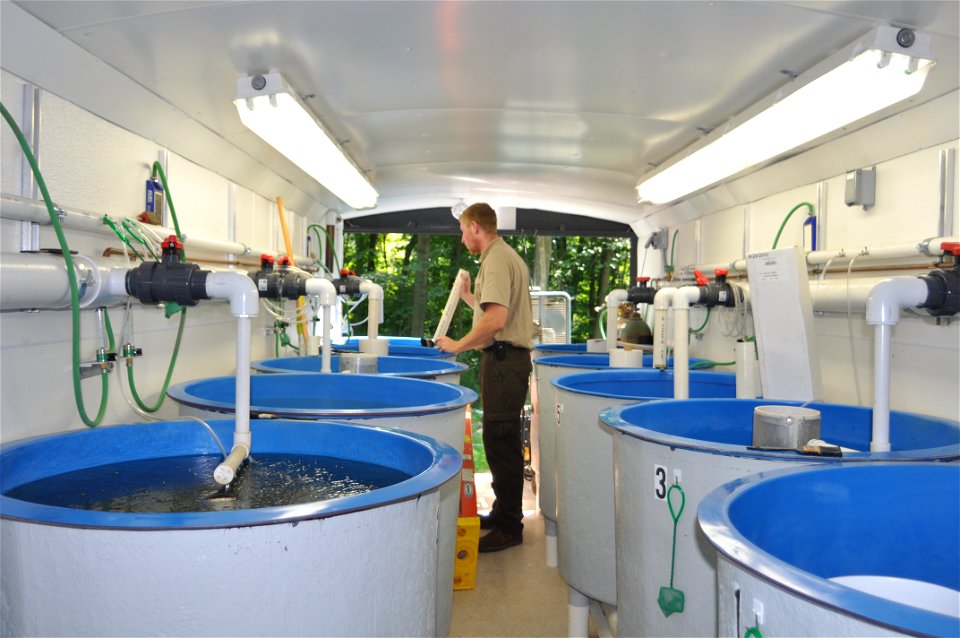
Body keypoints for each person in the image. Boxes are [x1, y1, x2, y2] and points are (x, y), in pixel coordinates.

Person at [436, 203, 533, 553]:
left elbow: (495, 322)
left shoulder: (494, 260)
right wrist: (467, 297)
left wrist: (457, 346)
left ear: (475, 226)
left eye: (463, 231)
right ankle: (502, 511)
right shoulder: (506, 256)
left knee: (501, 442)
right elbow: (492, 308)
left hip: (505, 362)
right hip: (508, 361)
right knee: (499, 440)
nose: (462, 239)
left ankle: (510, 526)